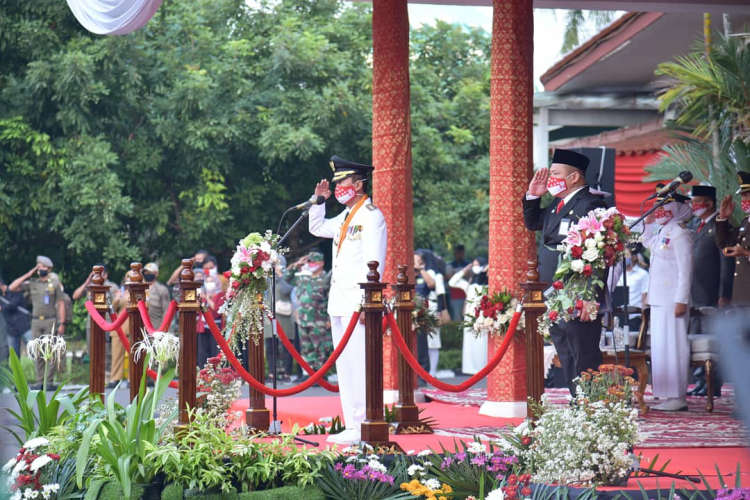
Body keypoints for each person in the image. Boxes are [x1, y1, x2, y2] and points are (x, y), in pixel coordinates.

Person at [308, 155, 387, 444]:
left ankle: (364, 422)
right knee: (345, 365)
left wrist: (368, 302)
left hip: (357, 304)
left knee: (359, 363)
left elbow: (374, 263)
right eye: (337, 182)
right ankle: (352, 423)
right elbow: (317, 229)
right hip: (339, 301)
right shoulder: (344, 216)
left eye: (343, 182)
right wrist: (318, 202)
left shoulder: (371, 215)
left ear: (359, 183)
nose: (339, 186)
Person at [522, 149, 607, 395]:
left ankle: (589, 404)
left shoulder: (591, 205)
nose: (550, 180)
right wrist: (533, 197)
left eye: (556, 174)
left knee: (583, 350)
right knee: (565, 350)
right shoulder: (557, 205)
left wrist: (589, 296)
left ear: (574, 177)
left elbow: (599, 253)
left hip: (577, 289)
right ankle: (576, 400)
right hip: (554, 290)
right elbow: (533, 223)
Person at [643, 192, 693, 411]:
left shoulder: (680, 234)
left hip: (674, 300)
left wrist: (681, 299)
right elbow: (649, 244)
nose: (660, 210)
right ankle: (665, 393)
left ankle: (678, 395)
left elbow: (686, 271)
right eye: (658, 205)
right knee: (661, 347)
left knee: (675, 347)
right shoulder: (664, 231)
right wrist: (647, 224)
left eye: (666, 206)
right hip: (659, 299)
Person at [8, 256, 65, 388]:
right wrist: (30, 273)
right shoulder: (33, 283)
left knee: (49, 351)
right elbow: (12, 287)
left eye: (43, 267)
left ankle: (48, 381)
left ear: (49, 269)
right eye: (38, 267)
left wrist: (62, 323)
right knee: (37, 351)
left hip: (50, 320)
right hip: (35, 322)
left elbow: (61, 303)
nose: (41, 270)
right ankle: (40, 381)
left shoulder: (54, 284)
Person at [72, 265, 120, 381]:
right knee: (92, 350)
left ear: (106, 275)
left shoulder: (112, 287)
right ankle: (96, 375)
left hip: (107, 322)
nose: (97, 276)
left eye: (99, 273)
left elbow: (118, 301)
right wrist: (88, 280)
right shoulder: (90, 287)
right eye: (94, 273)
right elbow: (75, 296)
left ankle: (108, 376)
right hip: (92, 323)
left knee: (107, 350)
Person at [289, 252, 332, 374]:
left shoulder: (327, 278)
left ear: (322, 263)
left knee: (321, 347)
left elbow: (331, 298)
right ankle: (309, 373)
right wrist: (297, 264)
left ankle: (320, 374)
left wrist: (329, 319)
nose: (311, 264)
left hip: (319, 319)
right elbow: (286, 277)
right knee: (306, 348)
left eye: (314, 262)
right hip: (303, 319)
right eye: (310, 262)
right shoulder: (303, 277)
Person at [448, 257, 489, 375]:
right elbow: (452, 282)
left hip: (483, 316)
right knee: (469, 342)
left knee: (482, 342)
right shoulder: (469, 284)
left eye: (477, 265)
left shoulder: (489, 285)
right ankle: (469, 368)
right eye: (473, 264)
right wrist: (465, 269)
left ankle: (483, 368)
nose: (475, 267)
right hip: (469, 316)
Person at [715, 171, 750, 307]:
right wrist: (723, 218)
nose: (744, 200)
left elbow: (743, 251)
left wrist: (746, 253)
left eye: (746, 195)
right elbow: (725, 244)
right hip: (742, 297)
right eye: (742, 196)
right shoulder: (746, 222)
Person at [414, 250, 448, 378]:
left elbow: (437, 290)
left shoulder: (432, 273)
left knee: (433, 340)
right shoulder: (414, 273)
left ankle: (432, 371)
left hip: (432, 307)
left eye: (417, 259)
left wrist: (441, 310)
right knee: (422, 341)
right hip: (418, 307)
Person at [262, 256, 295, 383]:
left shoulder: (288, 275)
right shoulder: (266, 277)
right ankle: (272, 373)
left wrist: (280, 277)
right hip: (270, 314)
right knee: (271, 344)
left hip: (284, 315)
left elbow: (286, 290)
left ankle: (286, 372)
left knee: (286, 345)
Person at [1, 278, 31, 357]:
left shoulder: (15, 291)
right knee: (14, 356)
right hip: (11, 329)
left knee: (34, 349)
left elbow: (13, 305)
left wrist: (2, 307)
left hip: (24, 327)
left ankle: (41, 368)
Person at [143, 262, 172, 330]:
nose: (147, 274)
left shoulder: (162, 290)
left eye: (149, 272)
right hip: (141, 327)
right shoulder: (139, 288)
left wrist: (164, 329)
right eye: (145, 273)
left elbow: (166, 311)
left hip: (156, 327)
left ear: (156, 274)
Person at [447, 245, 470, 321]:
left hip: (466, 294)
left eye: (461, 253)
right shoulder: (450, 265)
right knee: (457, 317)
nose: (459, 254)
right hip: (455, 295)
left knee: (467, 317)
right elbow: (449, 277)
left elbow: (469, 277)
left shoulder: (467, 264)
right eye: (458, 252)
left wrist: (457, 274)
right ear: (455, 253)